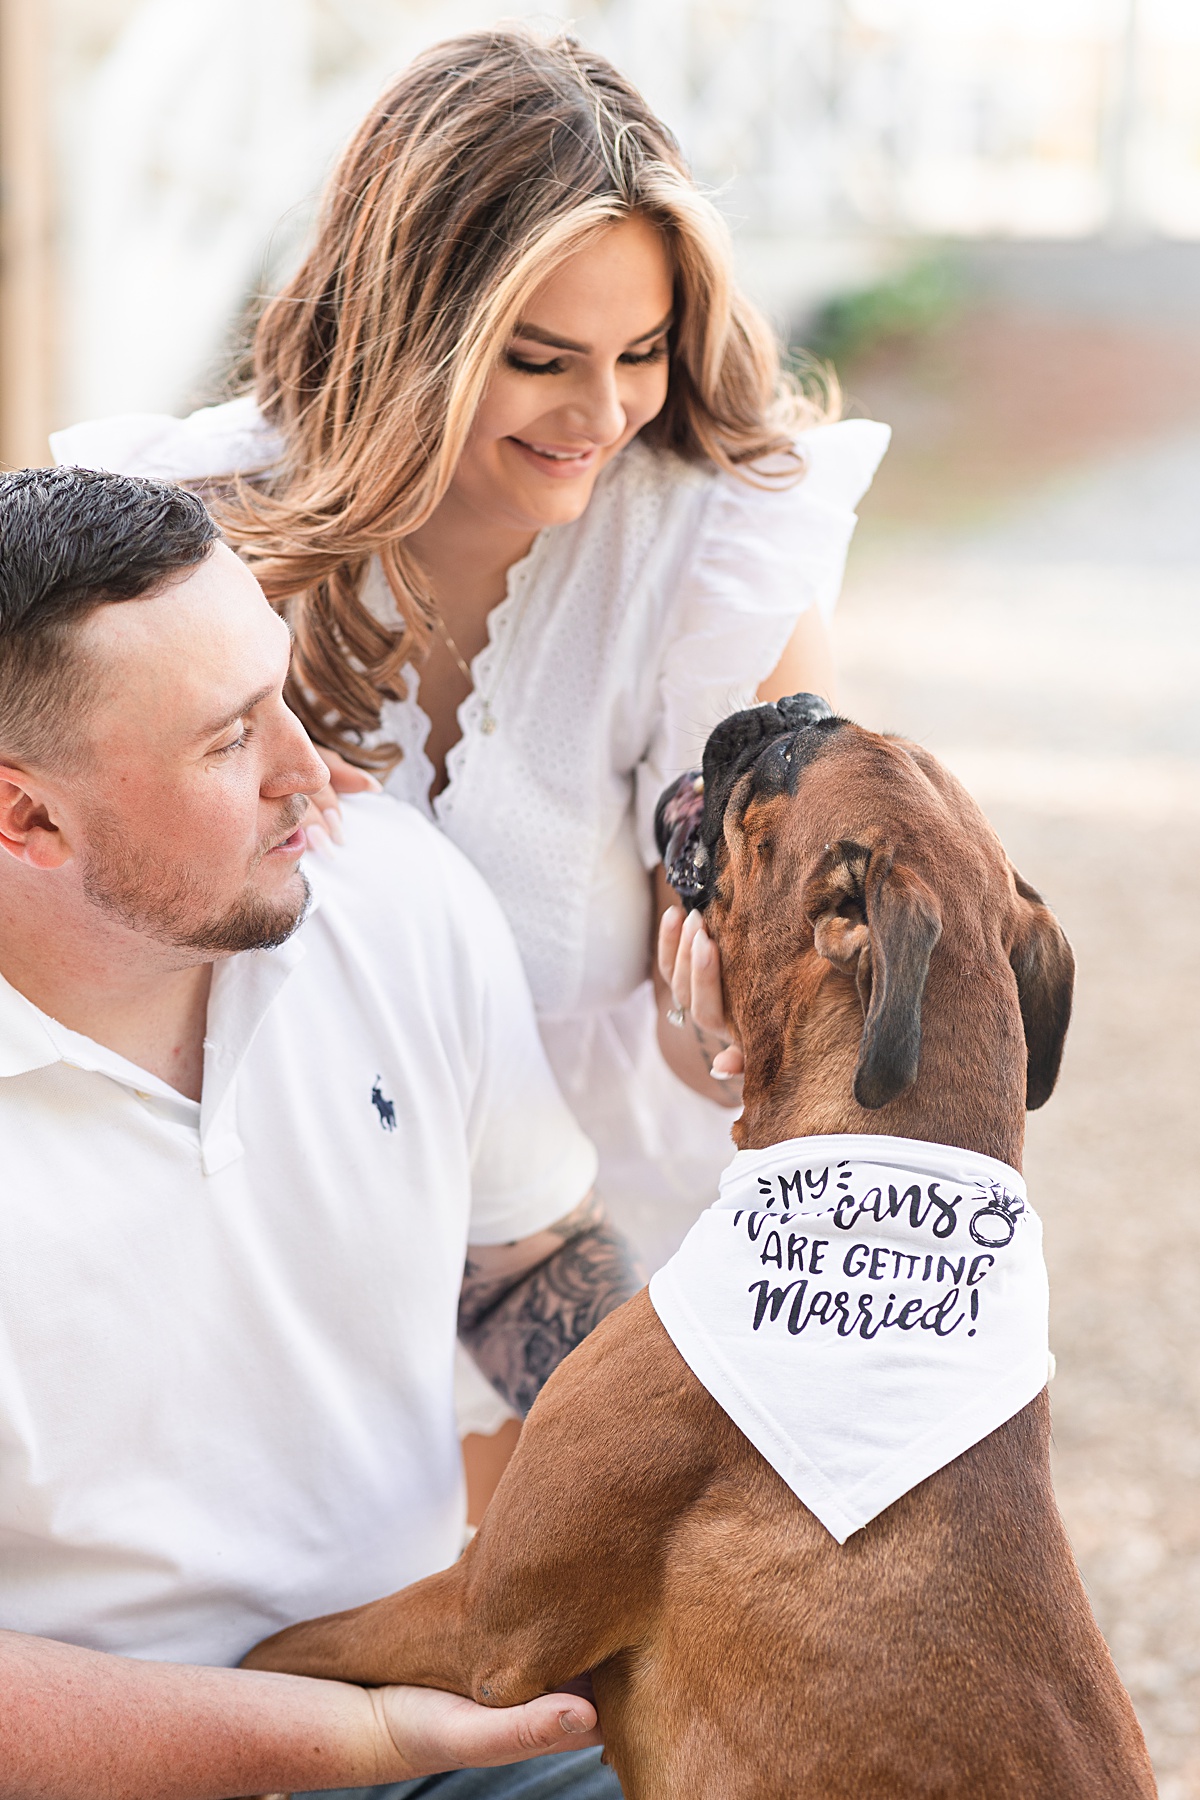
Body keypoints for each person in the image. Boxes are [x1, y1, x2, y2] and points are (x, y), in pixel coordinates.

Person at [52, 26, 889, 1477]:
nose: (605, 413)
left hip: (617, 1262)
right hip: (266, 1268)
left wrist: (727, 1014)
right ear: (407, 331)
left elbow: (768, 1051)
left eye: (642, 352)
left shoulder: (718, 556)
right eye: (539, 358)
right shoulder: (181, 538)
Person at [0, 464, 630, 1800]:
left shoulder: (388, 894)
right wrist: (354, 1739)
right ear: (27, 814)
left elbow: (526, 1267)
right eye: (230, 741)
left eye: (281, 692)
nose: (319, 773)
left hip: (439, 1708)